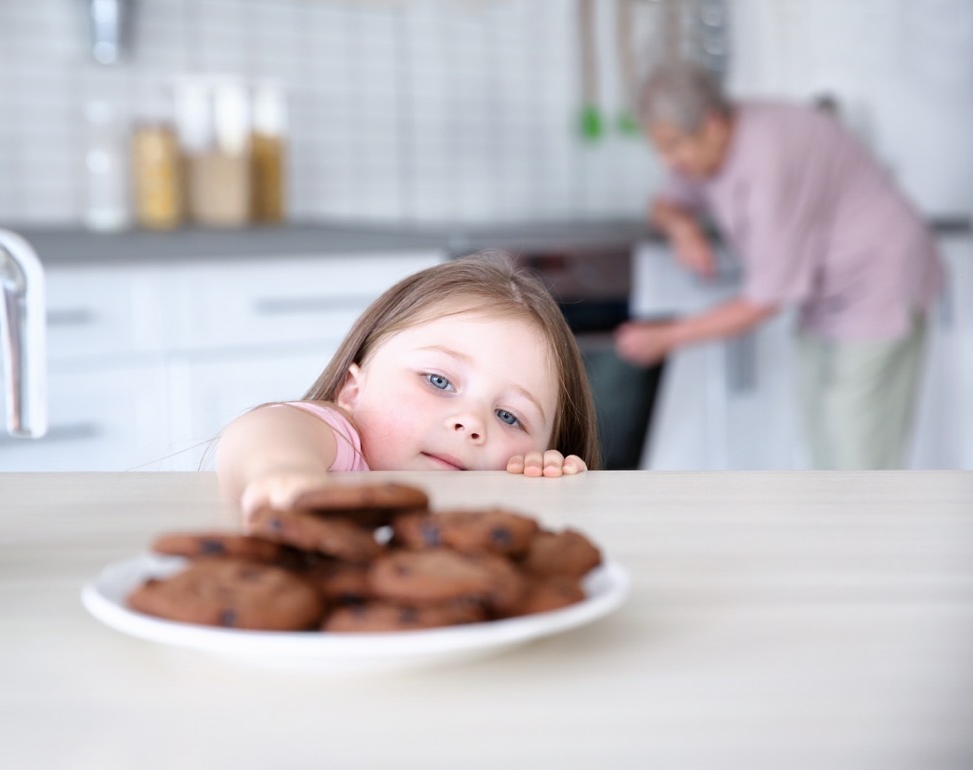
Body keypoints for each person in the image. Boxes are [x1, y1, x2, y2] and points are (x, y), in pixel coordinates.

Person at [615, 61, 944, 470]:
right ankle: (841, 532)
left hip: (879, 283)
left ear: (713, 125)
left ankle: (873, 531)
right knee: (826, 444)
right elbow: (665, 202)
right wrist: (682, 227)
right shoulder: (702, 151)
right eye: (659, 147)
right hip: (825, 296)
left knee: (859, 455)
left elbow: (764, 300)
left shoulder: (766, 162)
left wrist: (668, 337)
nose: (667, 161)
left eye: (673, 145)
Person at [217, 252, 601, 517]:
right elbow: (266, 431)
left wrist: (546, 485)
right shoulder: (346, 448)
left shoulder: (507, 482)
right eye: (438, 381)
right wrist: (283, 469)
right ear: (353, 391)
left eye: (508, 416)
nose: (471, 423)